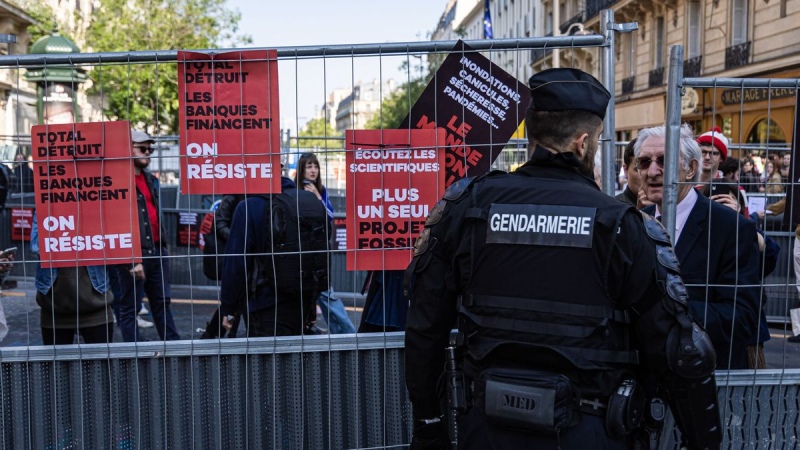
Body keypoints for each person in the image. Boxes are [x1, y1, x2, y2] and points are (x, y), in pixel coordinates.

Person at [405, 68, 721, 450]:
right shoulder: (621, 224)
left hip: (484, 427)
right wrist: (703, 442)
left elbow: (425, 325)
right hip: (589, 430)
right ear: (583, 143)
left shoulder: (466, 206)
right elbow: (681, 350)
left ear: (531, 135)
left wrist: (428, 423)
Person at [637, 124, 760, 369]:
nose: (652, 171)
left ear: (691, 168)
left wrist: (669, 311)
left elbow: (743, 317)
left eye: (664, 160)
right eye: (643, 162)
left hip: (705, 376)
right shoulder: (636, 221)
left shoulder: (730, 228)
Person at [220, 175, 330, 337]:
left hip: (264, 303)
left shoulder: (249, 207)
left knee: (266, 360)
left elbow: (236, 263)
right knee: (295, 357)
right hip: (302, 299)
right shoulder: (306, 202)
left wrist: (228, 308)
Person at [111, 130, 180, 342]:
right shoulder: (116, 180)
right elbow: (115, 221)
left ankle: (175, 348)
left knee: (162, 303)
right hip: (134, 253)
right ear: (127, 149)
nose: (148, 152)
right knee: (129, 307)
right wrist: (131, 257)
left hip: (157, 250)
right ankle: (134, 355)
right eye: (142, 148)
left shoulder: (150, 179)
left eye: (150, 148)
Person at [31, 211, 115, 345]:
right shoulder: (45, 205)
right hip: (54, 306)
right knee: (57, 365)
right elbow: (36, 246)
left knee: (102, 364)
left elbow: (116, 240)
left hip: (96, 303)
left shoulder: (99, 206)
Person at [295, 152, 355, 334]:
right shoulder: (295, 190)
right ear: (301, 169)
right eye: (309, 166)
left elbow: (329, 216)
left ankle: (347, 334)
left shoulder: (320, 190)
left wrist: (318, 199)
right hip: (300, 251)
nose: (313, 170)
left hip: (318, 251)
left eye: (316, 166)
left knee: (326, 294)